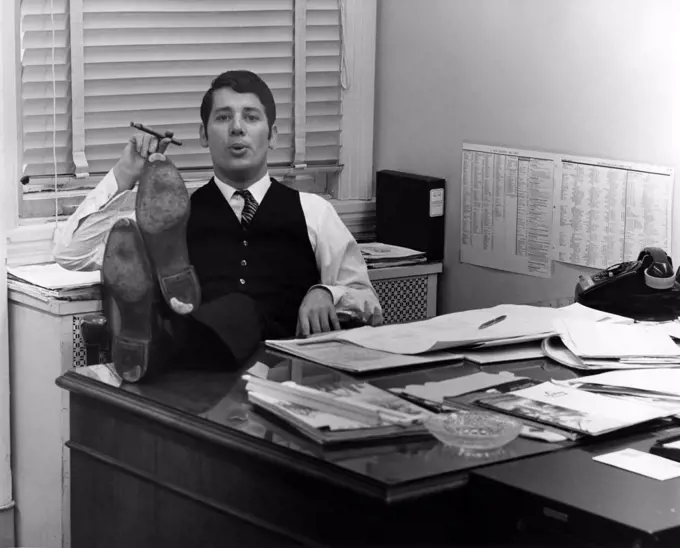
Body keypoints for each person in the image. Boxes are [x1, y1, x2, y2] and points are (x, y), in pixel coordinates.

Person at [53, 69, 382, 382]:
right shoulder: (171, 213)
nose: (237, 128)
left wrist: (328, 293)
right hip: (197, 383)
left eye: (251, 117)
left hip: (287, 380)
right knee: (237, 307)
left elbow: (368, 302)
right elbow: (70, 252)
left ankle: (156, 336)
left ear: (273, 135)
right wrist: (125, 174)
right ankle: (157, 325)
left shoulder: (314, 212)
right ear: (203, 135)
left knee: (243, 309)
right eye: (224, 117)